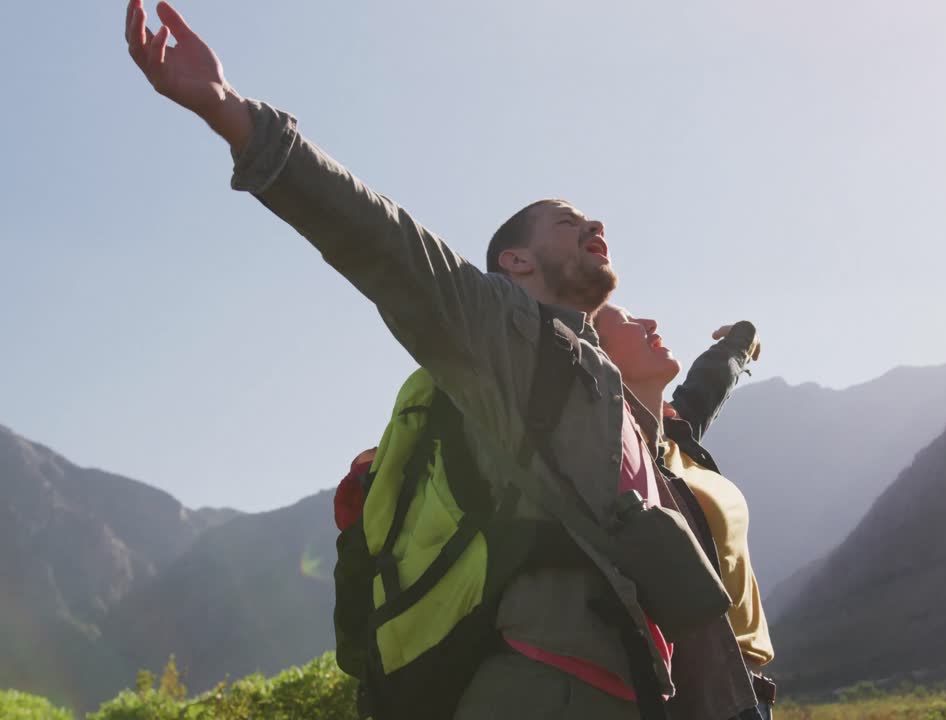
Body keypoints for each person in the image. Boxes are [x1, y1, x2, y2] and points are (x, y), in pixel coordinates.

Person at [122, 3, 761, 719]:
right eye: (566, 218)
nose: (594, 224)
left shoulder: (606, 391)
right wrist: (229, 111)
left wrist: (736, 347)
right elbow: (387, 245)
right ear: (514, 262)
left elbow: (692, 414)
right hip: (540, 692)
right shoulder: (503, 334)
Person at [594, 305, 777, 719]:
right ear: (596, 356)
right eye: (625, 321)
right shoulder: (619, 461)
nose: (650, 323)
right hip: (697, 698)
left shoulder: (674, 440)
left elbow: (708, 383)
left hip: (747, 693)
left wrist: (741, 342)